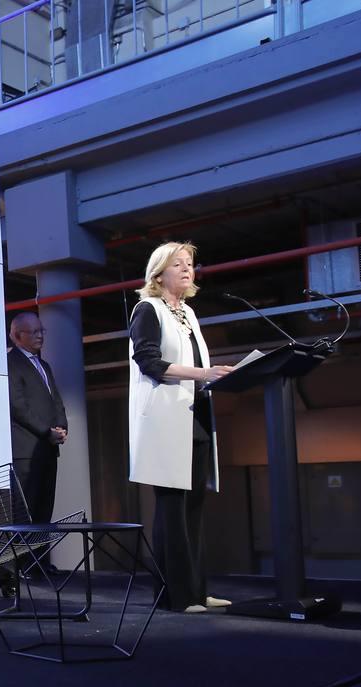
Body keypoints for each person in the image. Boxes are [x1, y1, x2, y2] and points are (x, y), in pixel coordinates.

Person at [127, 242, 233, 613]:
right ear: (159, 274)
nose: (188, 269)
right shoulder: (148, 309)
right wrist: (204, 373)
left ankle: (198, 591)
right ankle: (176, 596)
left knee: (194, 509)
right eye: (179, 264)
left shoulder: (188, 312)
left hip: (196, 415)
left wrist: (215, 376)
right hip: (164, 420)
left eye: (190, 264)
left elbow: (193, 362)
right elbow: (148, 361)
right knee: (172, 510)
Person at [8, 311, 67, 540]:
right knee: (26, 510)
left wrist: (62, 427)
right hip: (26, 451)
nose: (40, 336)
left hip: (48, 449)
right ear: (16, 335)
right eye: (33, 332)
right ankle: (25, 564)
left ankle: (41, 562)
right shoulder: (11, 363)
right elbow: (18, 406)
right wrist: (46, 432)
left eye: (41, 330)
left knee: (45, 507)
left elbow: (57, 402)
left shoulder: (44, 365)